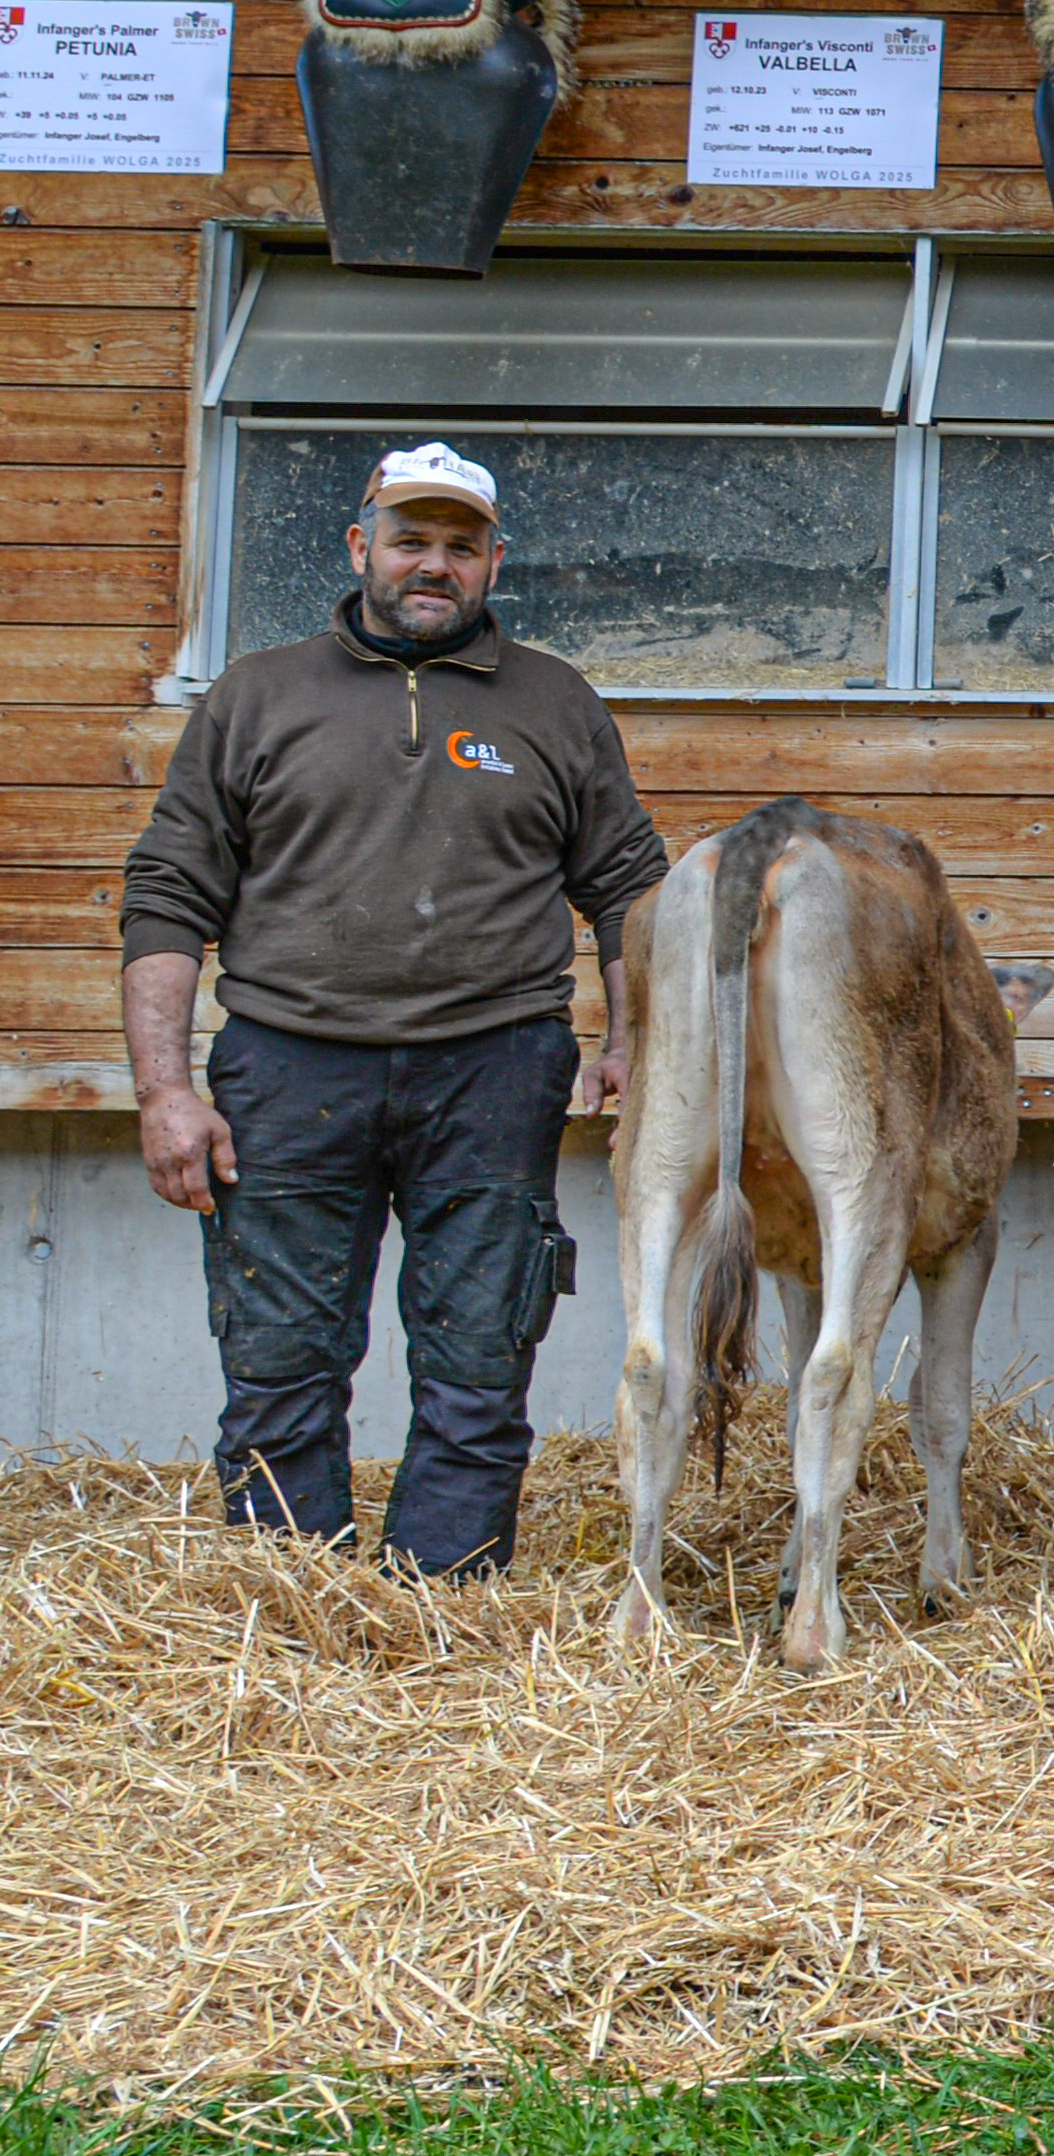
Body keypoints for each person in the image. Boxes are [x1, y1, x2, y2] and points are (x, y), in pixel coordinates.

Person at [118, 443, 667, 1575]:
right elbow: (169, 895)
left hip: (494, 1069)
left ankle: (445, 1613)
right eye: (411, 539)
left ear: (494, 562)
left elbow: (625, 887)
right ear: (361, 545)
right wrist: (165, 1090)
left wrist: (636, 1041)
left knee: (480, 1359)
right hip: (288, 1069)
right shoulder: (257, 696)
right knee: (279, 1361)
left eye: (461, 547)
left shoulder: (554, 701)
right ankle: (289, 1613)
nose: (435, 565)